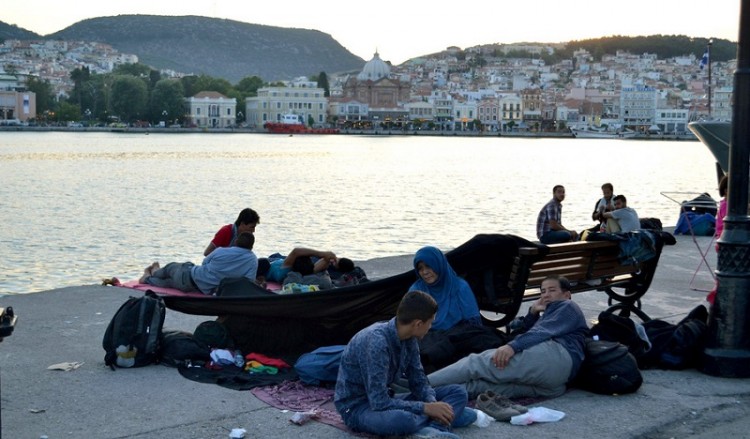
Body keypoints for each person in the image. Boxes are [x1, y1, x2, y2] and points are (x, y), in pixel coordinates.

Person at [334, 290, 476, 438]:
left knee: (458, 392)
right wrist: (425, 408)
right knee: (403, 420)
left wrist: (432, 404)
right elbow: (379, 402)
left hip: (389, 400)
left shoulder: (410, 339)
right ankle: (433, 427)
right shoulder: (376, 342)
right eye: (430, 323)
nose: (430, 328)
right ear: (418, 324)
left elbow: (418, 381)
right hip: (359, 407)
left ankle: (434, 427)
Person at [427, 275, 588, 400]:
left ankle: (418, 384)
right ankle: (418, 395)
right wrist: (532, 312)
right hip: (556, 383)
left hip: (557, 358)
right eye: (543, 291)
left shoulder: (568, 306)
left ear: (567, 294)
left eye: (552, 290)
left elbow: (539, 333)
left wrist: (512, 346)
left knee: (476, 363)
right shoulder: (554, 316)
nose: (546, 295)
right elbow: (524, 333)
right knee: (480, 386)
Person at [140, 231, 258, 295]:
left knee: (169, 269)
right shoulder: (252, 260)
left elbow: (204, 262)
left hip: (188, 274)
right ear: (251, 246)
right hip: (196, 288)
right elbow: (248, 281)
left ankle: (154, 271)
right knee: (168, 283)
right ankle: (147, 279)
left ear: (236, 241)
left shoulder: (221, 251)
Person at [707, 174, 728, 305]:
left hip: (721, 239)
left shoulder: (724, 204)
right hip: (724, 240)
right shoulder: (728, 206)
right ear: (726, 190)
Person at [264, 247, 337, 283]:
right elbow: (325, 262)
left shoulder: (285, 269)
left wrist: (322, 254)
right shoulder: (308, 271)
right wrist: (330, 258)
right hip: (276, 262)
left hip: (269, 264)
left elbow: (296, 251)